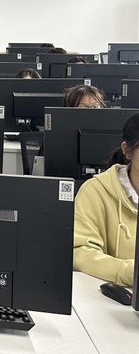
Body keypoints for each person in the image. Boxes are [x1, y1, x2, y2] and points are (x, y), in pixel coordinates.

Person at [73, 112, 138, 286]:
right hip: (111, 296)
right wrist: (127, 272)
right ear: (127, 150)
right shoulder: (95, 192)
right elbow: (81, 252)